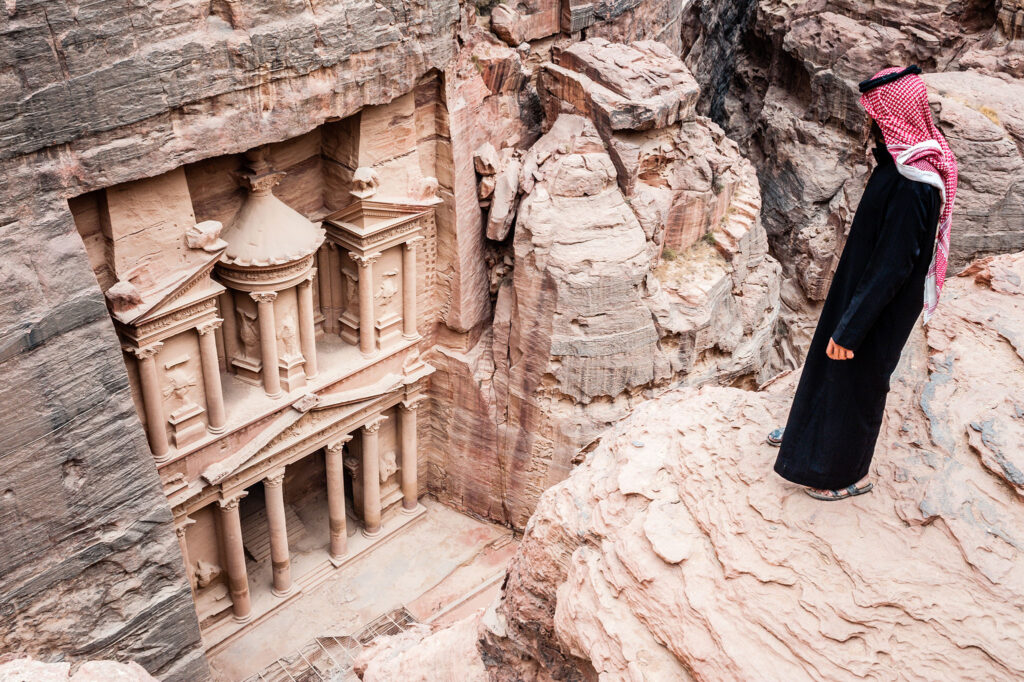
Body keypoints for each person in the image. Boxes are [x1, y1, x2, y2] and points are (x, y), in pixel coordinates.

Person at [769, 66, 959, 501]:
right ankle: (806, 435)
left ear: (892, 114)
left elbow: (895, 265)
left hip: (881, 301)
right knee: (829, 360)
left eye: (874, 112)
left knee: (860, 380)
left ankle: (846, 474)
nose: (868, 120)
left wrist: (854, 326)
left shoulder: (915, 185)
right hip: (863, 286)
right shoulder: (900, 163)